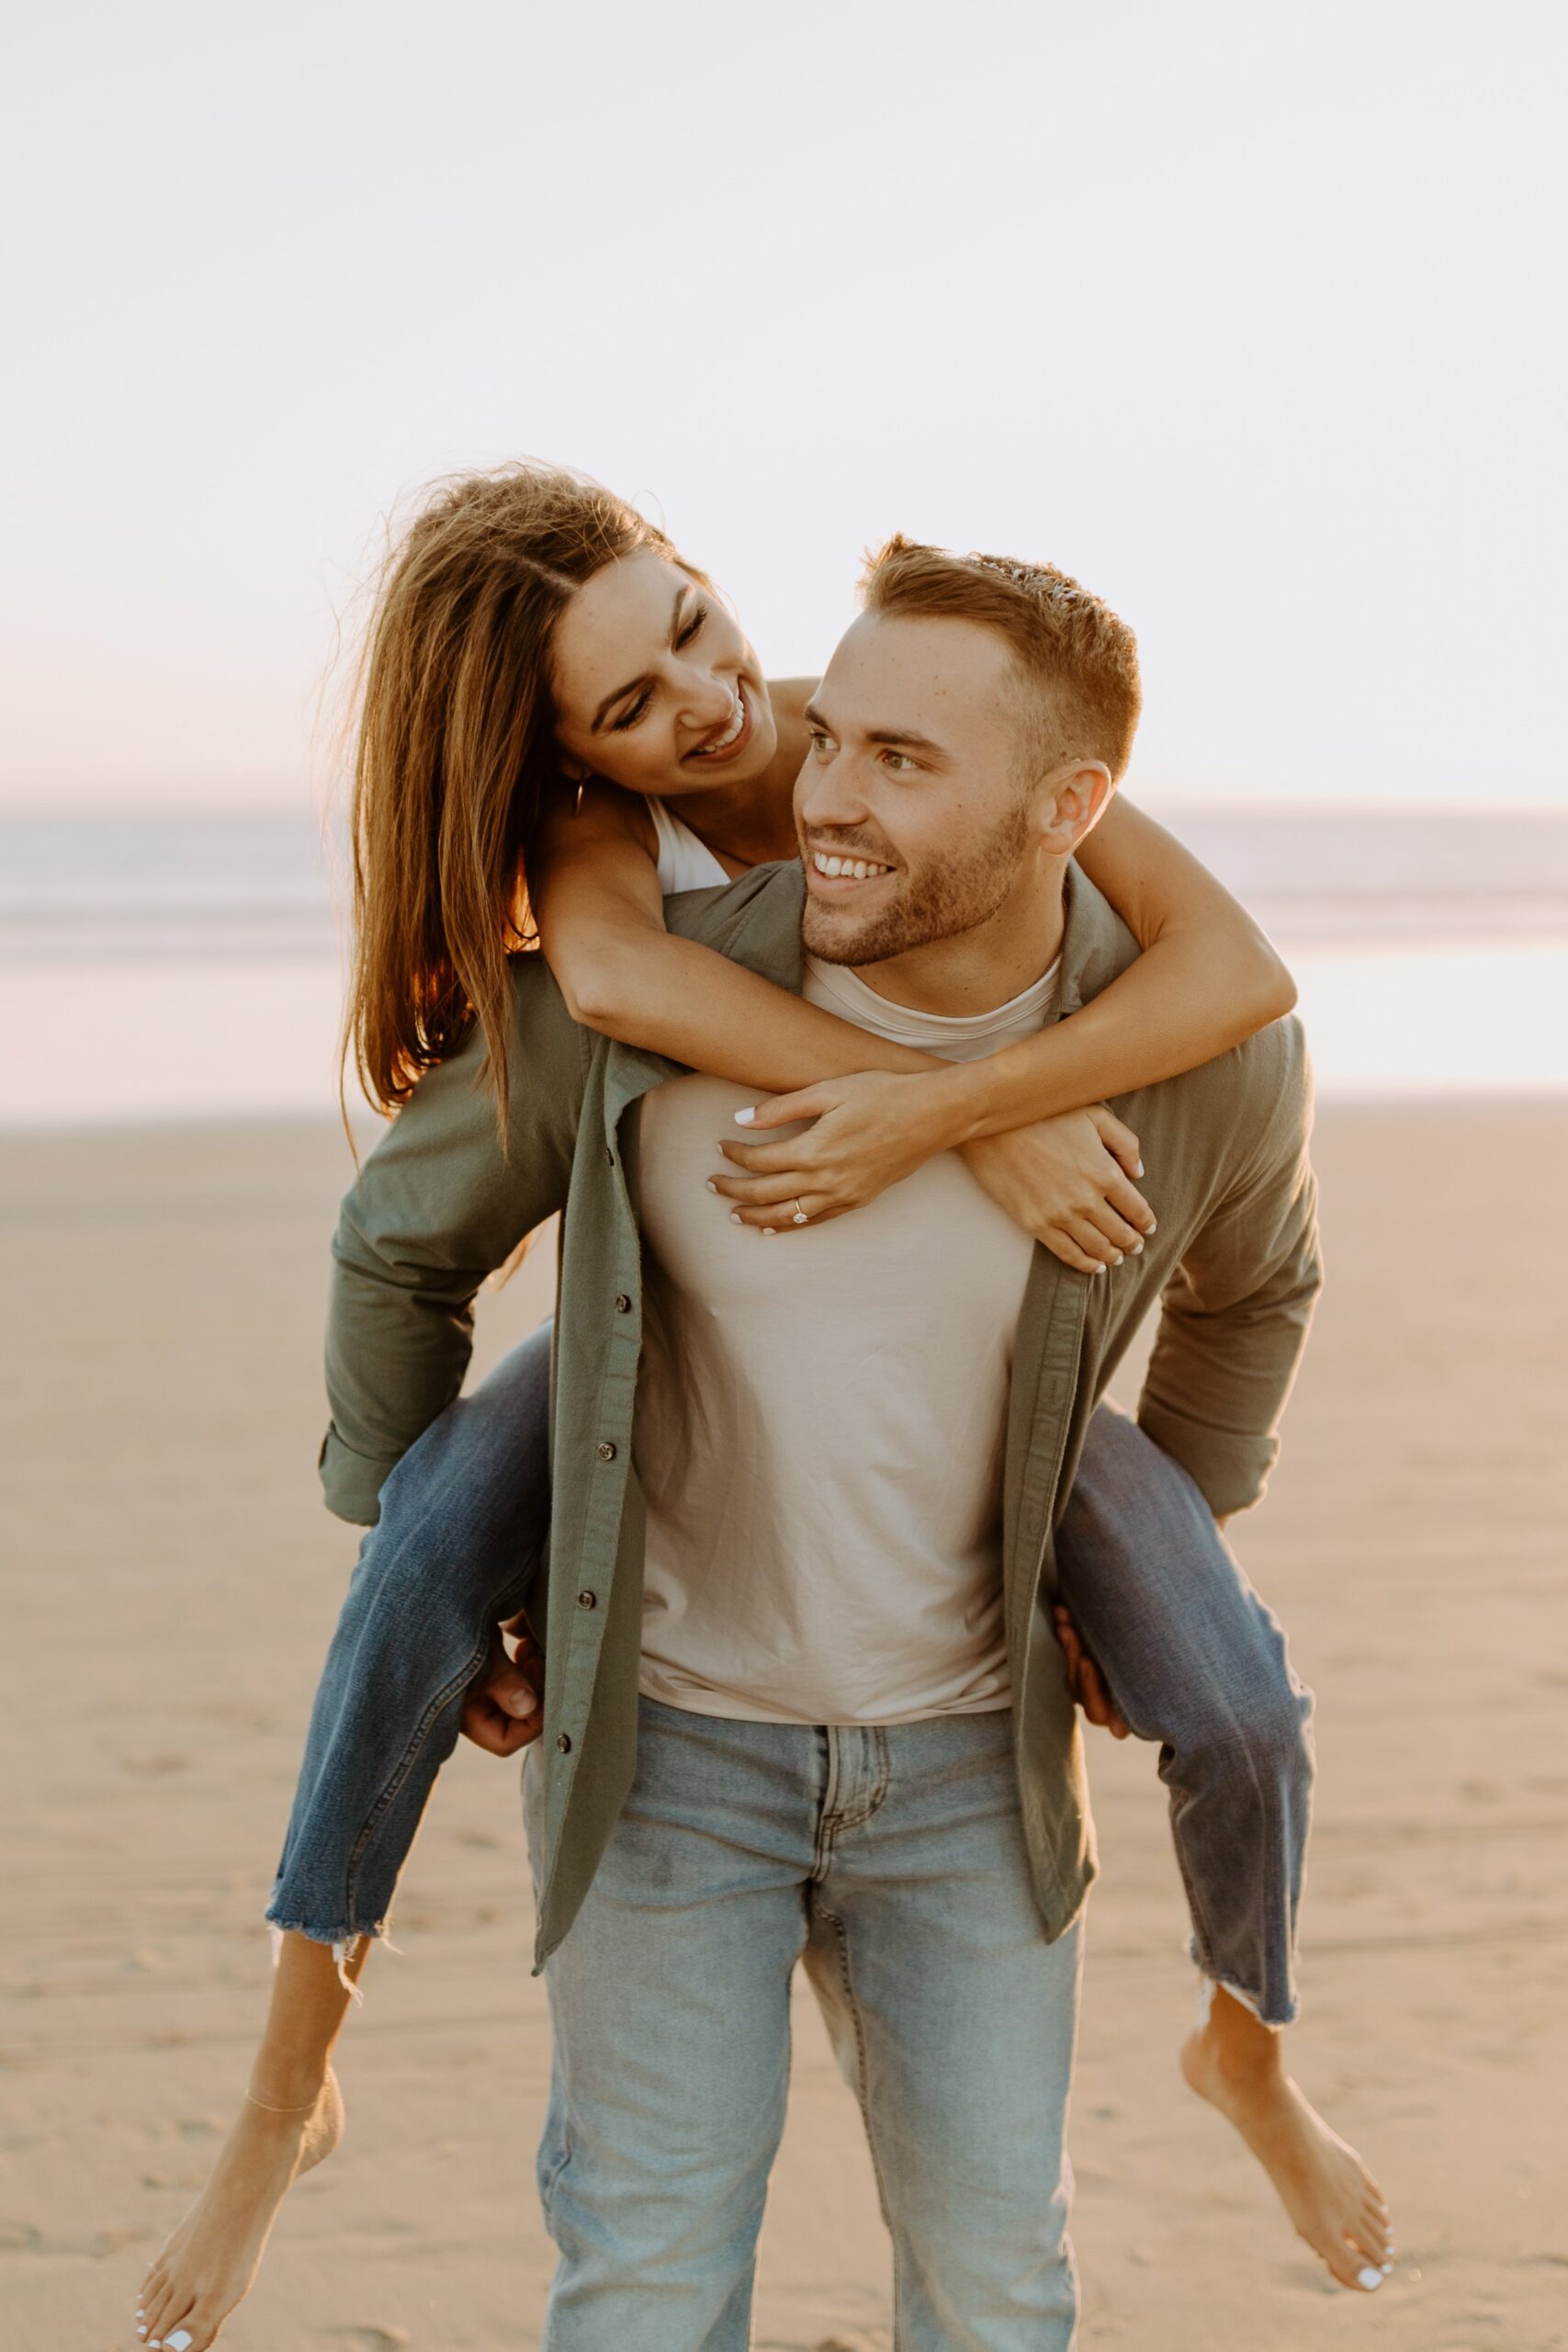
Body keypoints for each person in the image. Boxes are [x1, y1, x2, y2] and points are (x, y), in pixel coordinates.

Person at [134, 474, 1390, 2352]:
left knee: (999, 2276)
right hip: (668, 1761)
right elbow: (402, 1241)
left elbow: (1253, 1250)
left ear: (1053, 804)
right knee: (638, 2286)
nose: (755, 742)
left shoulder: (1166, 1028)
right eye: (627, 708)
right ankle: (282, 2079)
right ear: (569, 765)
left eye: (703, 638)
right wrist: (464, 1552)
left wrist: (1119, 1559)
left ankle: (1252, 2042)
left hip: (970, 1766)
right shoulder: (636, 972)